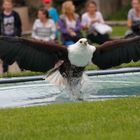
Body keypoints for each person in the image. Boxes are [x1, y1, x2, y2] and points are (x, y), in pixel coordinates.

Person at [0, 0, 22, 73]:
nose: (7, 6)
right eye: (6, 4)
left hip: (14, 39)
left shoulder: (15, 14)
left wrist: (18, 36)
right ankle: (5, 72)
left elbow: (19, 26)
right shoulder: (1, 15)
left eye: (9, 4)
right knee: (5, 56)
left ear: (11, 5)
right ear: (3, 6)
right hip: (4, 40)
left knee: (18, 55)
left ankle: (23, 70)